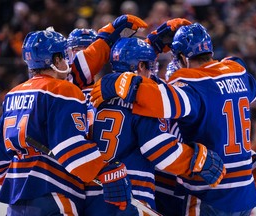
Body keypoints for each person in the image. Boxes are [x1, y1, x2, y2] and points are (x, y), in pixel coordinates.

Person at [90, 22, 256, 215]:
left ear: (182, 58)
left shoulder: (187, 88)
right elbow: (235, 143)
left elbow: (159, 99)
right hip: (243, 195)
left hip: (201, 194)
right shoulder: (238, 74)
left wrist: (118, 81)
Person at [0, 27, 133, 216]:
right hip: (54, 195)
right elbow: (70, 147)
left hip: (15, 200)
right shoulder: (62, 89)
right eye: (65, 56)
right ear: (56, 60)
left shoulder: (12, 94)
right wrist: (106, 171)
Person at [85, 36, 225, 216]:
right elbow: (157, 149)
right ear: (141, 66)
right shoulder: (141, 100)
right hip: (131, 194)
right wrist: (196, 159)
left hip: (92, 195)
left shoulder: (93, 97)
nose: (153, 73)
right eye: (150, 66)